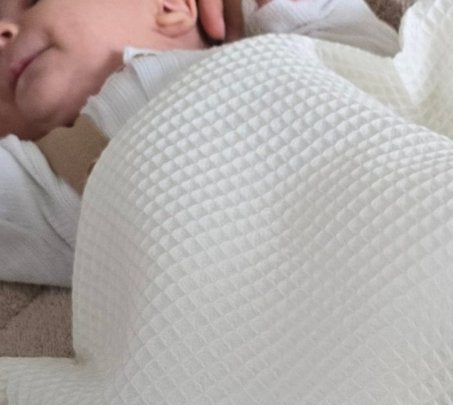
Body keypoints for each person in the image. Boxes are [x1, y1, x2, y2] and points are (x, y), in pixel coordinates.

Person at [0, 0, 399, 286]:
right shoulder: (51, 186)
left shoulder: (286, 46)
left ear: (171, 6)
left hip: (388, 212)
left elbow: (382, 72)